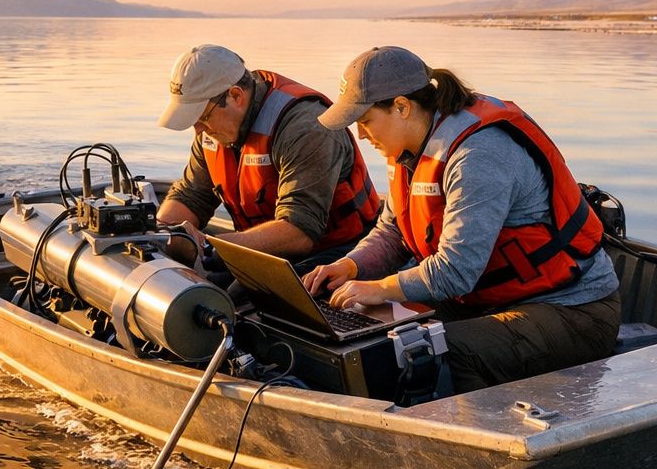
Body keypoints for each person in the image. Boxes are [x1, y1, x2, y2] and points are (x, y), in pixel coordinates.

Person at [304, 46, 621, 392]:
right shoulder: (408, 150)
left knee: (437, 353)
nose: (361, 136)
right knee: (369, 331)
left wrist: (379, 288)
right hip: (489, 300)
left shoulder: (477, 156)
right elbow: (392, 233)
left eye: (365, 122)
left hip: (573, 310)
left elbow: (455, 272)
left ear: (401, 107)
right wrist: (350, 268)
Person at [156, 44, 381, 270]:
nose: (197, 130)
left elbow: (299, 231)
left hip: (339, 254)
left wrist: (207, 245)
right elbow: (191, 196)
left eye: (202, 116)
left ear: (235, 96)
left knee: (231, 298)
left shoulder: (307, 128)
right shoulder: (214, 130)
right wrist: (158, 230)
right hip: (268, 252)